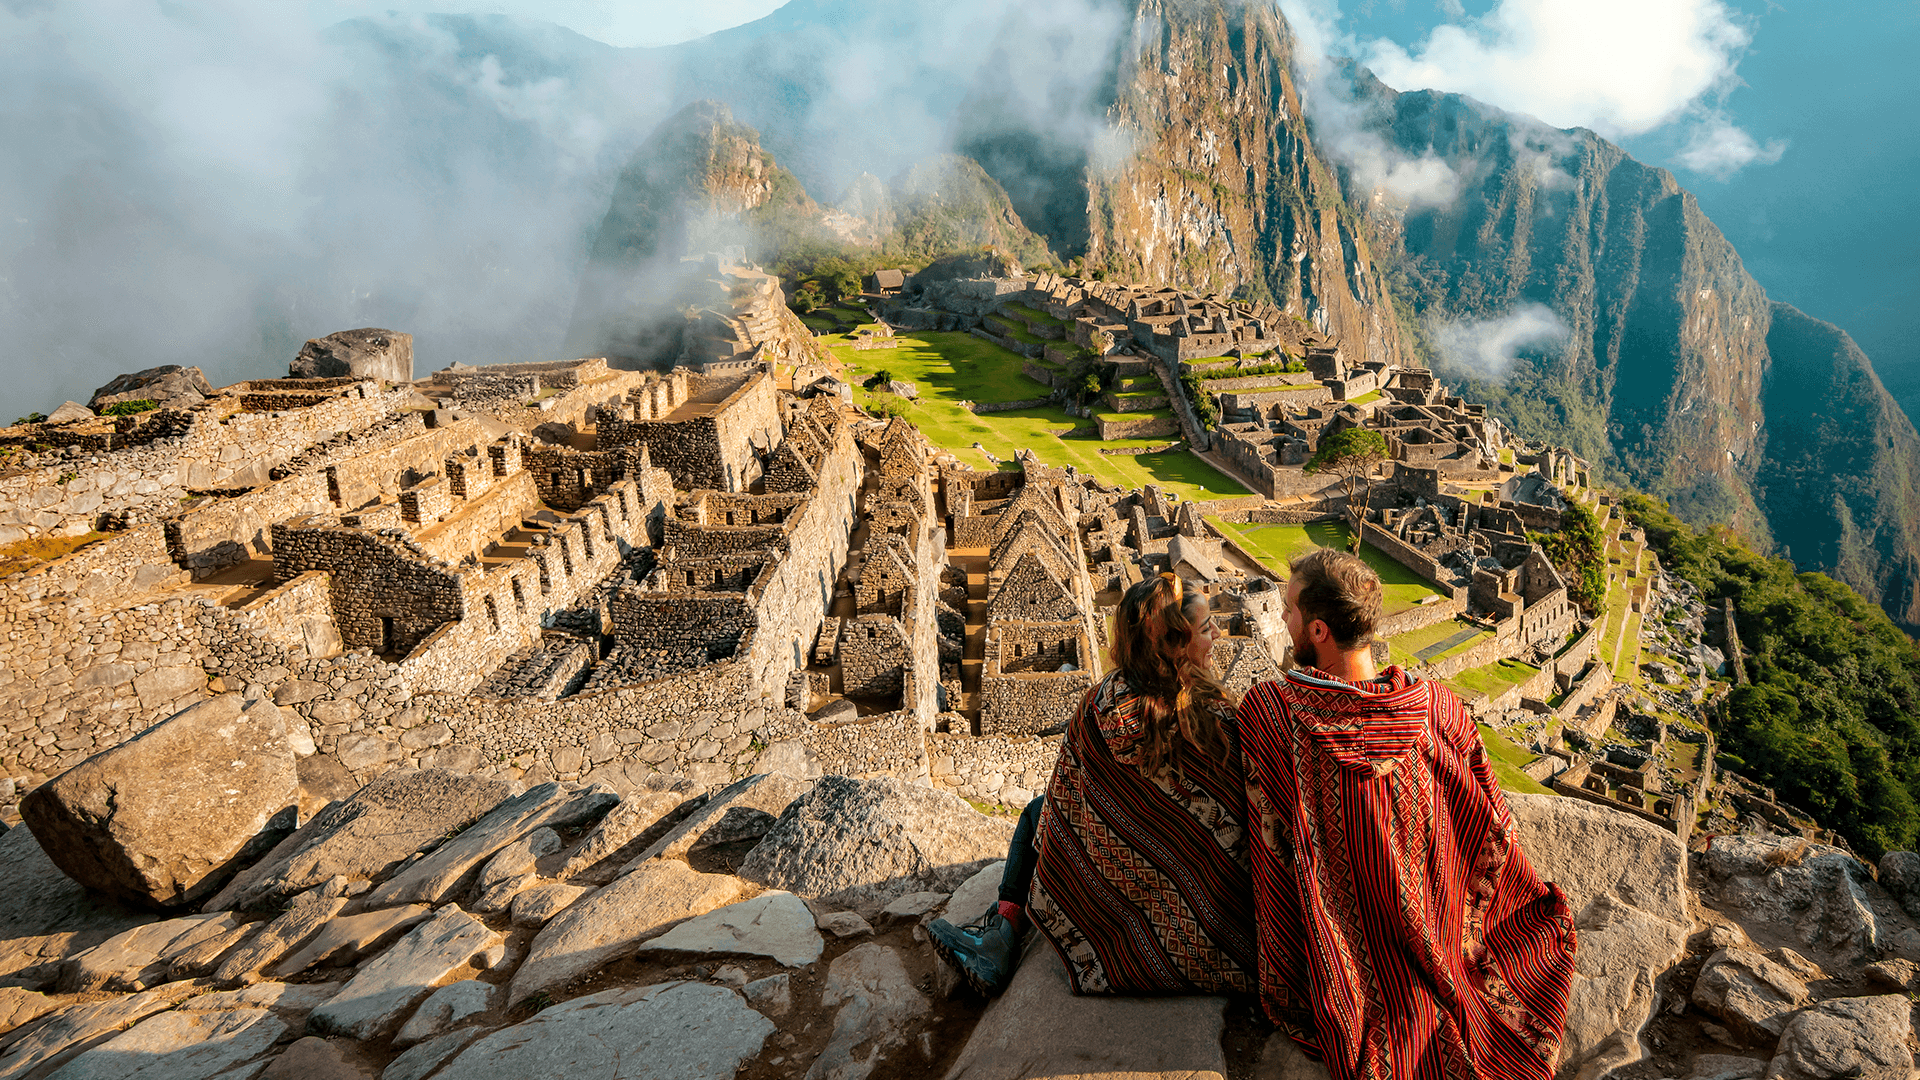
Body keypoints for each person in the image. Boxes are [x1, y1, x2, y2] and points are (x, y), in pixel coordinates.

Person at [1237, 548, 1577, 1080]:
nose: (1282, 617)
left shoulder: (1273, 715)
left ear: (1319, 631)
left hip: (1354, 971)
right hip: (1449, 928)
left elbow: (1270, 840)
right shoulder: (1437, 707)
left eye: (1290, 610)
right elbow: (1489, 812)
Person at [928, 572, 1257, 997]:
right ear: (1174, 643)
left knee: (1038, 811)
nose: (1216, 636)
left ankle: (1002, 931)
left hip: (1120, 892)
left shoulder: (1100, 707)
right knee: (1047, 809)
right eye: (1205, 628)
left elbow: (1069, 795)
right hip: (1217, 919)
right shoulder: (1217, 719)